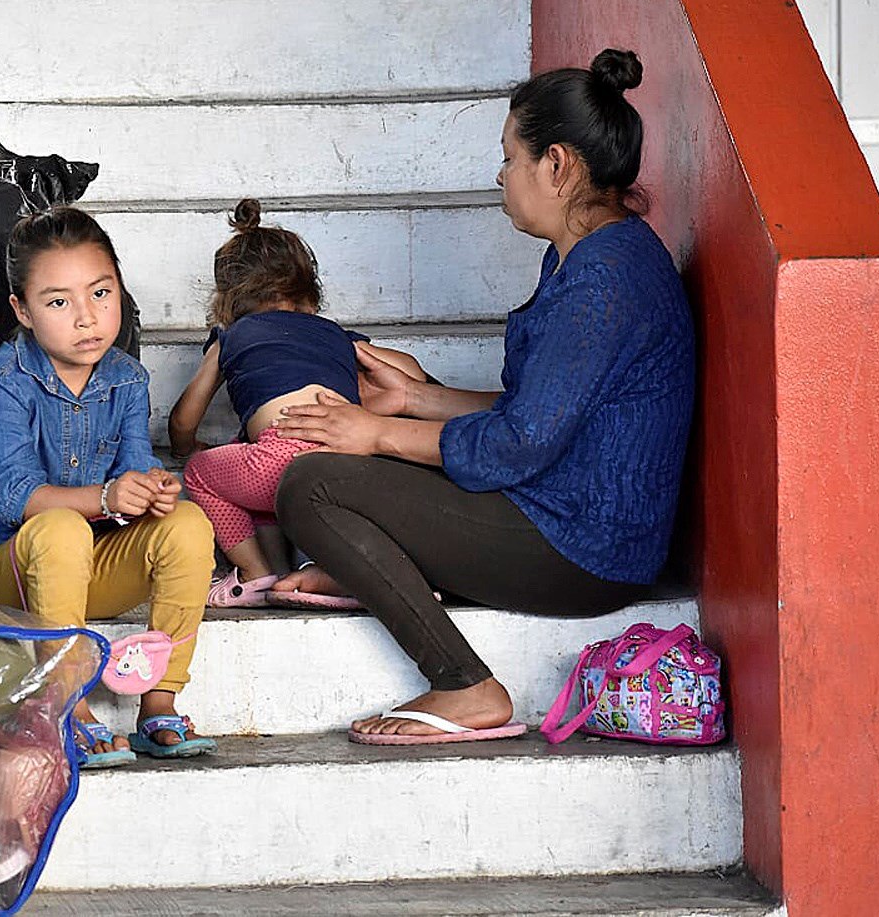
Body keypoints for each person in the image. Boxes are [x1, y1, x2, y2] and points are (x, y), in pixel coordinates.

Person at [271, 48, 695, 745]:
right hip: (554, 508)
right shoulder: (588, 249)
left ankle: (465, 685)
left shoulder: (605, 282)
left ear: (556, 165)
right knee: (358, 465)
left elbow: (517, 442)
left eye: (509, 158)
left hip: (584, 546)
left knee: (311, 486)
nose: (500, 176)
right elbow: (539, 411)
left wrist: (375, 433)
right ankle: (378, 563)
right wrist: (415, 398)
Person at [0, 207, 217, 766]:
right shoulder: (3, 382)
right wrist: (105, 498)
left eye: (101, 294)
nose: (86, 317)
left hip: (87, 570)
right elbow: (13, 497)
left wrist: (152, 491)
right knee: (57, 528)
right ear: (21, 311)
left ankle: (158, 702)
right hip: (10, 574)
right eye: (58, 302)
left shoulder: (127, 377)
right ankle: (65, 703)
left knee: (189, 524)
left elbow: (136, 465)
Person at [168, 199, 423, 607]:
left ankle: (254, 572)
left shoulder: (232, 336)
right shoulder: (334, 334)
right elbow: (410, 370)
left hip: (276, 463)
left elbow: (184, 420)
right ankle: (298, 574)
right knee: (262, 475)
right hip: (351, 456)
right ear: (309, 293)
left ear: (230, 300)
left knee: (202, 472)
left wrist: (184, 449)